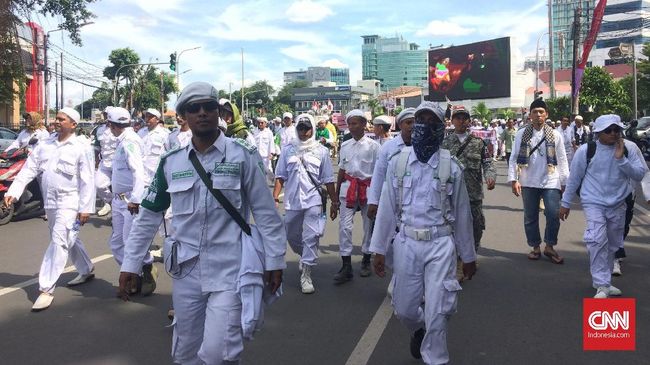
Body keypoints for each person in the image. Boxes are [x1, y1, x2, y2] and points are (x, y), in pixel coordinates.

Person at [118, 82, 286, 364]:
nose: (202, 113)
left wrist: (275, 261)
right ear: (183, 115)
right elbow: (148, 216)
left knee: (218, 353)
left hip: (231, 270)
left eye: (209, 106)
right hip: (186, 272)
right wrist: (131, 264)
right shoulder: (171, 162)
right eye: (193, 108)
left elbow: (266, 213)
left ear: (218, 112)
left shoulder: (242, 155)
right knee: (184, 352)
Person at [370, 101, 476, 364]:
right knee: (404, 308)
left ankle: (435, 357)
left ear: (441, 129)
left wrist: (468, 255)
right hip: (406, 243)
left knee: (439, 309)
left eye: (432, 123)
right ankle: (419, 329)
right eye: (420, 121)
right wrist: (378, 249)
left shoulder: (450, 167)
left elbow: (463, 214)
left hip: (440, 243)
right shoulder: (398, 163)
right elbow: (386, 209)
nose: (424, 128)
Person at [3, 108, 95, 311]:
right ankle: (86, 268)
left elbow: (88, 179)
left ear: (73, 124)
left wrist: (86, 208)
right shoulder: (45, 145)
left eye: (62, 119)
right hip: (50, 202)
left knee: (59, 241)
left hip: (70, 201)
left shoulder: (81, 147)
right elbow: (29, 169)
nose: (56, 121)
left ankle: (46, 288)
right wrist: (14, 191)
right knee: (67, 237)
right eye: (56, 118)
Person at [560, 114, 648, 298]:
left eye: (617, 130)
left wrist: (621, 159)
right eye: (609, 130)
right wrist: (565, 203)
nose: (614, 133)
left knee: (612, 244)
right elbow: (574, 178)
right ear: (598, 132)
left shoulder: (629, 148)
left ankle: (604, 282)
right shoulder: (586, 150)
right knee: (597, 239)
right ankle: (601, 284)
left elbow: (640, 174)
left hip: (618, 202)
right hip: (593, 202)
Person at [273, 113, 337, 294]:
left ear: (313, 129)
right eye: (300, 128)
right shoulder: (287, 150)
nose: (303, 132)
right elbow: (280, 176)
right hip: (292, 200)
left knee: (311, 236)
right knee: (291, 235)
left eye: (307, 128)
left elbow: (328, 179)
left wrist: (334, 202)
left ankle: (306, 274)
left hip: (313, 200)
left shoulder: (321, 151)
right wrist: (275, 196)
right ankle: (305, 255)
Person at [508, 98, 569, 264]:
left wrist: (565, 182)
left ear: (546, 114)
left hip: (551, 180)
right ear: (530, 115)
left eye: (541, 112)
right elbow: (514, 158)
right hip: (528, 181)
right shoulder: (522, 133)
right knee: (530, 216)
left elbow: (562, 159)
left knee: (553, 214)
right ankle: (535, 247)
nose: (538, 115)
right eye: (535, 112)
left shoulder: (555, 135)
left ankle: (549, 246)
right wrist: (514, 179)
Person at [107, 107, 157, 296]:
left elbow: (138, 172)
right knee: (117, 243)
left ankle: (144, 270)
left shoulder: (130, 142)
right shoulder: (122, 141)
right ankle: (131, 273)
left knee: (131, 242)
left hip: (130, 200)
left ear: (111, 125)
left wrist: (136, 200)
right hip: (119, 199)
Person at [333, 109, 380, 282]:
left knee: (368, 226)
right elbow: (342, 171)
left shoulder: (374, 146)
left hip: (368, 190)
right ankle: (346, 265)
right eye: (349, 124)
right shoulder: (345, 145)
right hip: (348, 190)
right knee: (345, 227)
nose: (351, 127)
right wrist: (335, 198)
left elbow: (379, 173)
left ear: (363, 124)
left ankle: (366, 259)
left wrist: (378, 198)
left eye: (355, 123)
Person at [442, 105, 496, 252]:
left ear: (469, 121)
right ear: (452, 120)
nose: (461, 121)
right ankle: (455, 255)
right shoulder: (444, 144)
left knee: (476, 225)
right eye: (458, 118)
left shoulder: (478, 143)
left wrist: (490, 177)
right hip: (450, 193)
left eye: (464, 118)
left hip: (473, 193)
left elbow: (487, 162)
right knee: (451, 225)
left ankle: (472, 252)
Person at [94, 107, 119, 217]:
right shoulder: (99, 129)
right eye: (105, 114)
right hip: (104, 162)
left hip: (118, 163)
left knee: (119, 189)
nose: (106, 116)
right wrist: (95, 160)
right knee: (98, 184)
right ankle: (110, 202)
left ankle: (119, 209)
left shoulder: (119, 129)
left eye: (108, 114)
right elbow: (97, 147)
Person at [140, 108, 169, 187]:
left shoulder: (164, 134)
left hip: (156, 174)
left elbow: (169, 153)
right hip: (141, 173)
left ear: (157, 120)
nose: (147, 119)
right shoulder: (141, 132)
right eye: (146, 117)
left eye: (150, 117)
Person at [254, 117, 276, 182]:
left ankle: (273, 180)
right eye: (258, 123)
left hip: (266, 157)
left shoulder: (269, 133)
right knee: (258, 172)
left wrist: (271, 154)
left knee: (268, 171)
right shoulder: (255, 132)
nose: (260, 124)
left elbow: (271, 143)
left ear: (265, 124)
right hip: (257, 156)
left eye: (262, 123)